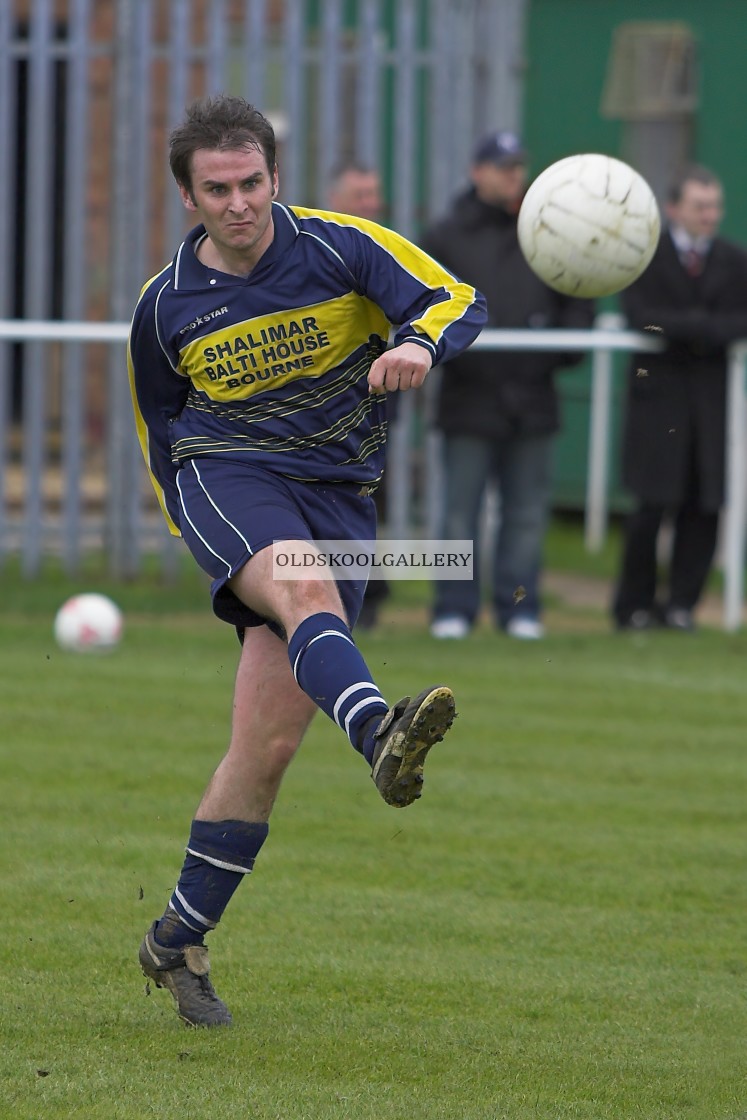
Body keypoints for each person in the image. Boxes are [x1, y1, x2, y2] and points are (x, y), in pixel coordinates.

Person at [127, 95, 486, 1028]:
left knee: (268, 746)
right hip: (228, 477)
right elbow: (156, 425)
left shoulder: (339, 247)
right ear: (188, 197)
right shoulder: (163, 307)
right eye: (218, 189)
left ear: (274, 179)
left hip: (336, 491)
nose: (238, 202)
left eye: (252, 183)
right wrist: (201, 532)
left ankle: (176, 938)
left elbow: (457, 297)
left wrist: (415, 341)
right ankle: (377, 733)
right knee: (300, 584)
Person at [422, 130, 594, 641]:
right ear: (477, 172)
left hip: (534, 398)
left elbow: (577, 295)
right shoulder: (445, 235)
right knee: (459, 513)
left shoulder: (551, 231)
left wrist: (567, 344)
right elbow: (426, 304)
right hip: (469, 399)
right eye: (502, 167)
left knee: (525, 514)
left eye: (518, 166)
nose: (513, 176)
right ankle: (453, 608)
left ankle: (520, 609)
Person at [612, 165, 747, 632]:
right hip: (658, 405)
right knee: (650, 506)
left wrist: (683, 329)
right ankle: (633, 607)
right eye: (699, 206)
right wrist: (703, 330)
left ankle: (682, 606)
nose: (709, 215)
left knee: (704, 506)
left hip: (711, 406)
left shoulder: (734, 260)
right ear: (674, 209)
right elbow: (642, 317)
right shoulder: (644, 258)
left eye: (714, 206)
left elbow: (737, 323)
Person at [326, 162, 391, 630]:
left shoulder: (385, 248)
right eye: (359, 193)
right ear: (335, 197)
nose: (370, 202)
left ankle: (366, 597)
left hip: (372, 405)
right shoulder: (318, 250)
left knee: (367, 499)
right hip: (312, 412)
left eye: (374, 193)